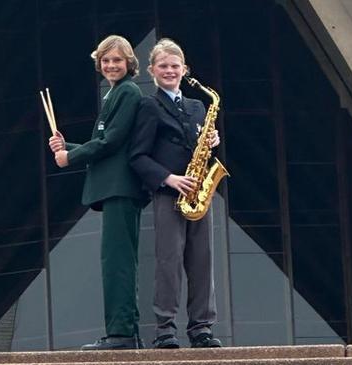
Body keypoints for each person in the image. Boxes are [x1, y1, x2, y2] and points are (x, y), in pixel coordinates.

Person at [49, 35, 145, 351]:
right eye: (105, 60)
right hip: (117, 186)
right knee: (116, 260)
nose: (111, 65)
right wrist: (68, 148)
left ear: (129, 62)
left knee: (117, 261)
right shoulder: (116, 93)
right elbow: (109, 145)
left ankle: (122, 334)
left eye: (117, 60)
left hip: (121, 187)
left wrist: (70, 157)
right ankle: (124, 331)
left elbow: (112, 142)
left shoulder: (128, 91)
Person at [129, 38, 222, 349]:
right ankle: (165, 329)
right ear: (153, 70)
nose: (170, 70)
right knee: (168, 262)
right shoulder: (148, 105)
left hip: (198, 192)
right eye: (164, 66)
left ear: (185, 69)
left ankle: (202, 328)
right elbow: (138, 156)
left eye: (175, 66)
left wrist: (212, 141)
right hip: (170, 194)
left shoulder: (198, 107)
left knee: (202, 261)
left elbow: (200, 149)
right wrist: (168, 179)